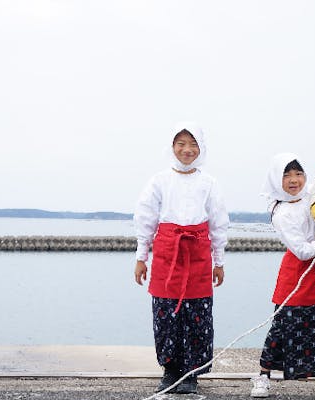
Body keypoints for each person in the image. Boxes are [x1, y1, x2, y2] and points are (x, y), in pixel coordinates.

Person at [133, 122, 229, 394]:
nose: (187, 150)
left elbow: (219, 223)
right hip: (167, 253)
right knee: (165, 314)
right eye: (181, 144)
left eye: (193, 144)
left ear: (201, 148)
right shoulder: (159, 180)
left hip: (198, 252)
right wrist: (142, 257)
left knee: (197, 315)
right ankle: (170, 370)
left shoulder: (209, 183)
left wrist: (219, 261)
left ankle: (191, 374)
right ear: (172, 147)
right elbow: (145, 219)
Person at [250, 153, 315, 398]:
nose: (294, 180)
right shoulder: (281, 213)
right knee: (282, 327)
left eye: (298, 173)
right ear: (276, 180)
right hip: (296, 272)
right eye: (286, 175)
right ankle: (263, 376)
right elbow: (302, 251)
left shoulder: (312, 195)